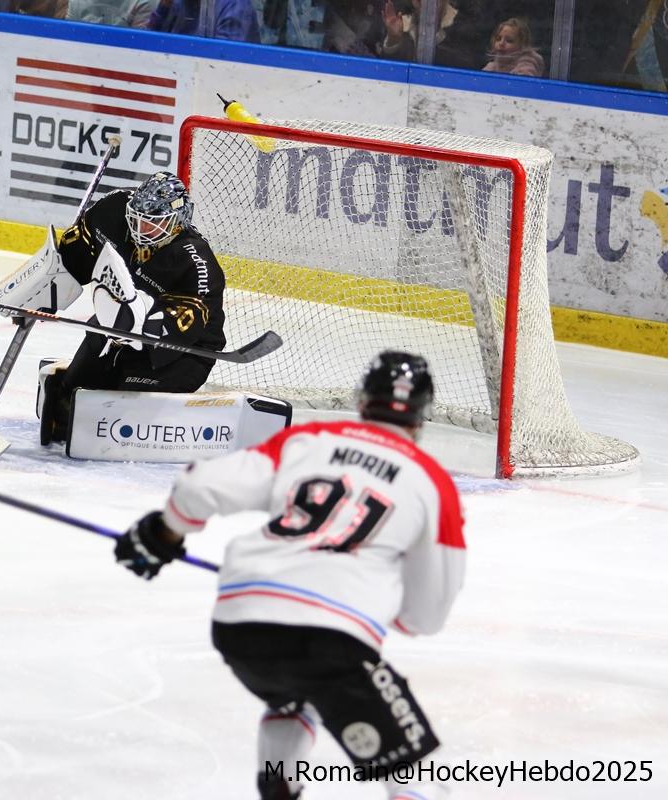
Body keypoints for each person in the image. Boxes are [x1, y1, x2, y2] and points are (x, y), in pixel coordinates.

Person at [114, 351, 465, 800]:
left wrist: (167, 531)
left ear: (362, 400)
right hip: (333, 640)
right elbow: (428, 613)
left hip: (241, 625)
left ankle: (279, 787)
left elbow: (200, 485)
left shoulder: (309, 440)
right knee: (418, 773)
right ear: (422, 415)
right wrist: (391, 612)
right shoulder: (433, 481)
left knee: (294, 700)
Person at [39, 171, 226, 445]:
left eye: (152, 223)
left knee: (119, 411)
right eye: (137, 219)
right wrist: (43, 290)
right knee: (71, 395)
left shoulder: (196, 263)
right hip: (118, 328)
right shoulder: (114, 208)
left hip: (184, 351)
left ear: (178, 222)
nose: (140, 229)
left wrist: (138, 329)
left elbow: (184, 325)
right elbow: (74, 254)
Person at [146, 0, 261, 42]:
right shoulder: (177, 3)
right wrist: (164, 7)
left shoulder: (234, 5)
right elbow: (150, 43)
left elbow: (224, 63)